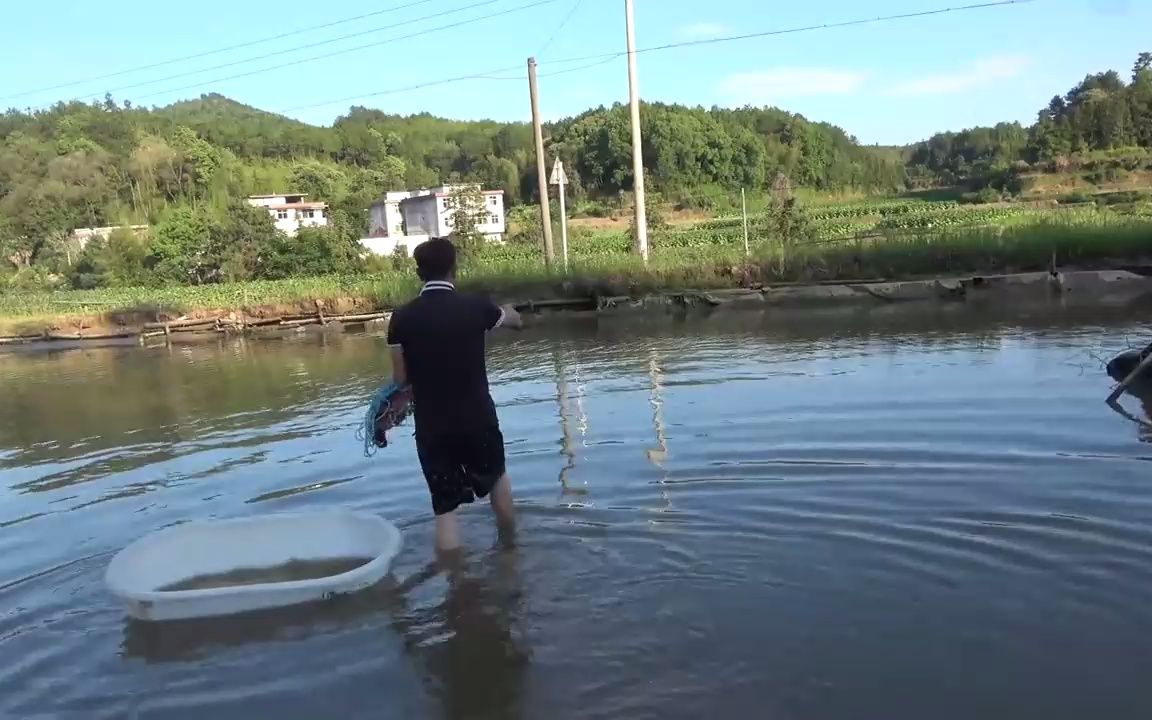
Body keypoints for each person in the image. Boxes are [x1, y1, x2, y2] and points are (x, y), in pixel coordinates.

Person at [386, 237, 522, 553]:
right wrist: (512, 313)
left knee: (444, 509)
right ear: (454, 268)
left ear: (419, 273)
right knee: (497, 480)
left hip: (432, 425)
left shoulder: (401, 318)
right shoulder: (476, 307)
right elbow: (513, 321)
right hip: (478, 417)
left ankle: (456, 587)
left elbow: (400, 379)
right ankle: (511, 556)